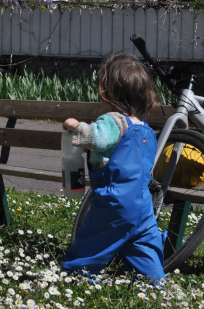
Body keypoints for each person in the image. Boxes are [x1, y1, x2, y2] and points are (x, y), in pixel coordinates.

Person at [61, 52, 166, 283]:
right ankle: (154, 281)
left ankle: (76, 277)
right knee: (143, 245)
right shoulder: (145, 128)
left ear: (108, 93)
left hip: (113, 205)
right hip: (142, 206)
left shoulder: (113, 121)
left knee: (92, 242)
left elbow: (97, 138)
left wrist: (76, 126)